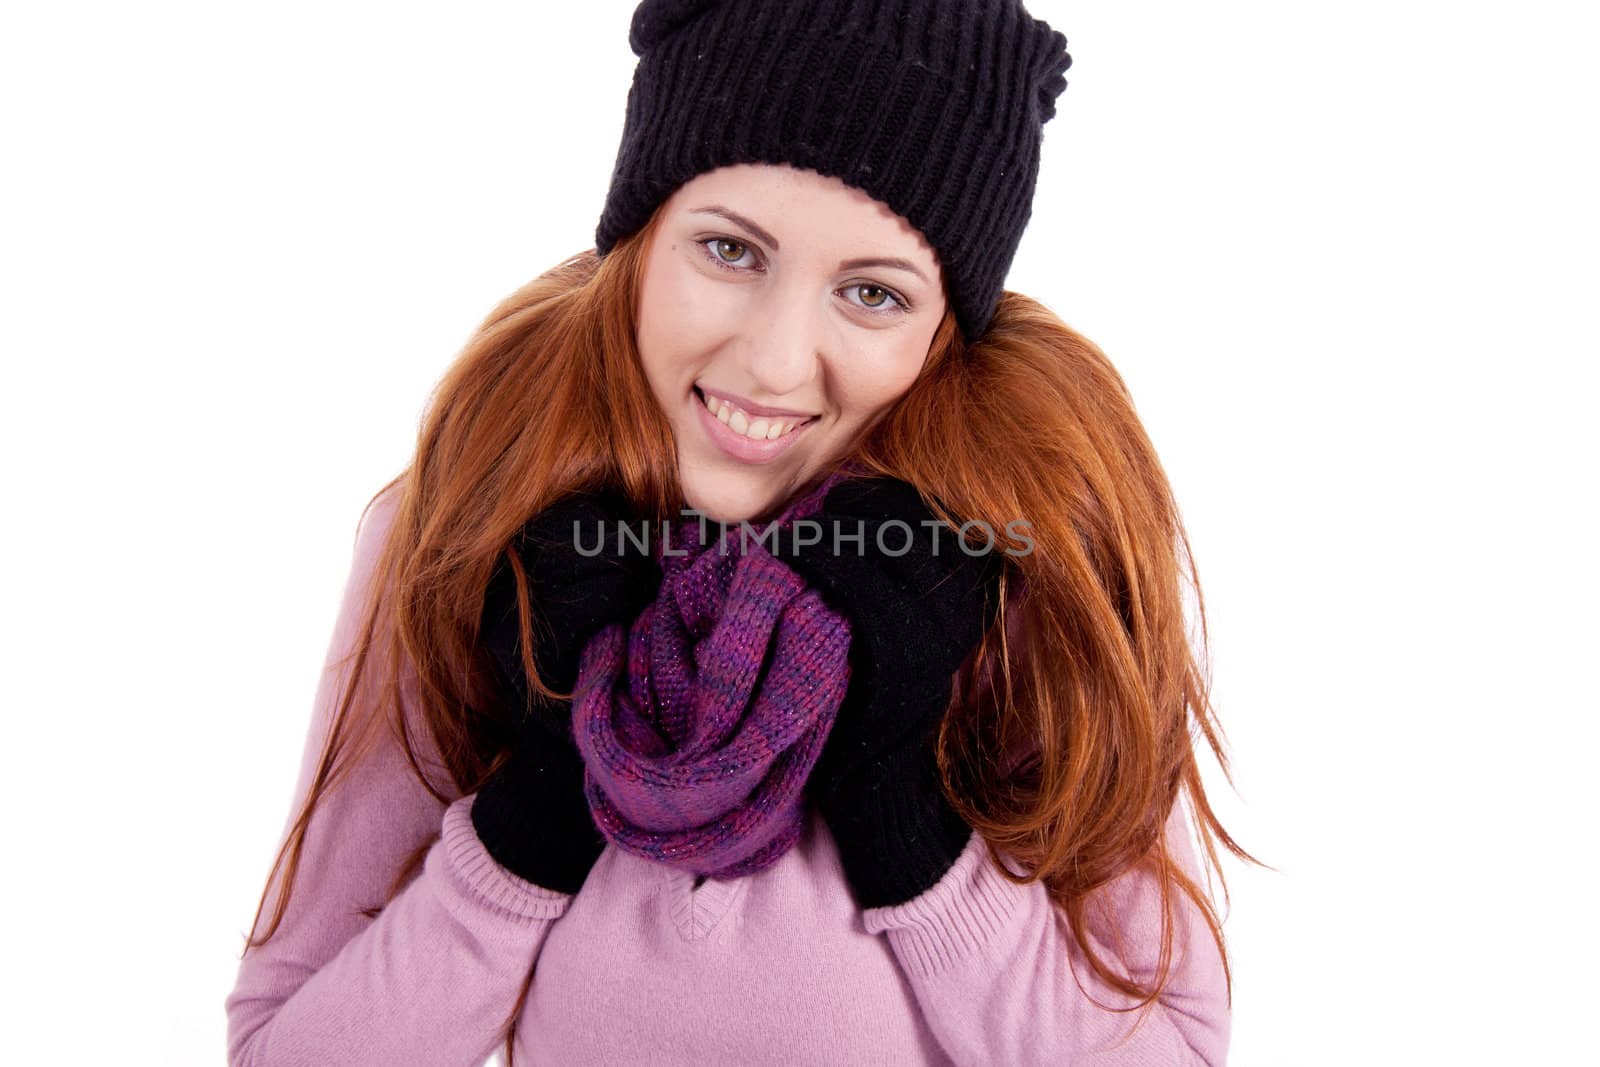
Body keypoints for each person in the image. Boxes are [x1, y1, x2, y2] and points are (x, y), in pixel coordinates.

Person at [226, 1, 1255, 1063]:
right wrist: (534, 806)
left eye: (871, 292)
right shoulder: (476, 523)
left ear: (945, 327)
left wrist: (906, 814)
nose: (772, 359)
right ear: (636, 239)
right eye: (727, 249)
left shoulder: (1020, 562)